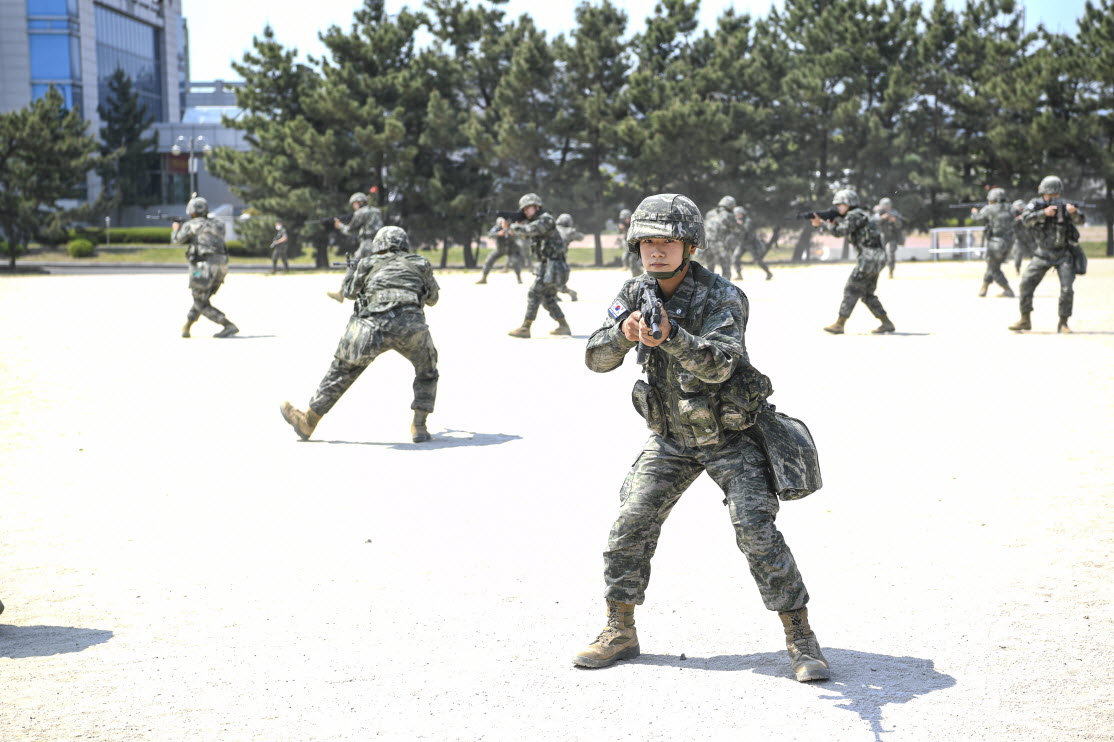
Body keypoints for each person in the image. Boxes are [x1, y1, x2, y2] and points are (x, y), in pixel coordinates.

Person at [575, 193, 829, 683]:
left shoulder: (723, 296)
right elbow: (594, 357)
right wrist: (624, 334)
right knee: (630, 521)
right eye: (646, 242)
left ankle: (800, 635)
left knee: (755, 527)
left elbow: (721, 364)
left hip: (731, 436)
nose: (655, 251)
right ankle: (619, 629)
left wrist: (670, 336)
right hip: (671, 436)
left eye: (667, 242)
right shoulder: (633, 292)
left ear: (689, 246)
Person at [281, 226, 440, 443]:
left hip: (370, 325)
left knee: (343, 370)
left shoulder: (367, 262)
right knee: (427, 371)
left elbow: (348, 292)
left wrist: (354, 272)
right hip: (411, 326)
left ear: (379, 244)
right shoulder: (420, 262)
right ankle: (419, 426)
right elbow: (432, 299)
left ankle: (308, 422)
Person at [1009, 176, 1085, 334]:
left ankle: (1063, 322)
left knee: (1067, 289)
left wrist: (1074, 213)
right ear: (1042, 192)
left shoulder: (1066, 205)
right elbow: (1025, 220)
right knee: (1026, 283)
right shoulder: (1035, 205)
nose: (1053, 199)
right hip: (1042, 254)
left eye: (1056, 195)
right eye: (1050, 196)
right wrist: (1043, 213)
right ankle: (1025, 319)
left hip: (1063, 253)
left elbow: (1081, 221)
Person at [815, 189, 895, 334]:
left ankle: (840, 324)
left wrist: (823, 224)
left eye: (841, 204)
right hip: (877, 258)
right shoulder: (861, 214)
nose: (838, 207)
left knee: (851, 289)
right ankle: (886, 322)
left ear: (849, 203)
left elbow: (839, 232)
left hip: (869, 258)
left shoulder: (854, 215)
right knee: (867, 294)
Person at [172, 195, 239, 339]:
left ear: (192, 210)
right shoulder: (218, 224)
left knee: (200, 302)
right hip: (222, 266)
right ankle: (187, 327)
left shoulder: (192, 224)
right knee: (202, 298)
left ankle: (227, 325)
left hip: (203, 267)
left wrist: (176, 228)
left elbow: (177, 240)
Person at [507, 193, 571, 338]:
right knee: (548, 298)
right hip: (549, 266)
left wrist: (514, 226)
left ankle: (525, 327)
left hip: (553, 266)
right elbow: (527, 233)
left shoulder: (546, 219)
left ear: (537, 206)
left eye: (528, 208)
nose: (525, 212)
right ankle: (563, 325)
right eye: (523, 210)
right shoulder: (537, 221)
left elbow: (530, 230)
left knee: (534, 293)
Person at [326, 192, 385, 303]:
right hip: (380, 243)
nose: (354, 206)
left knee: (353, 266)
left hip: (367, 244)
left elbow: (350, 230)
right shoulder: (377, 211)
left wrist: (340, 226)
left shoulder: (360, 213)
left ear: (360, 202)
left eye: (354, 204)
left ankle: (341, 293)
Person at [969, 188, 1015, 298]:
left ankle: (1007, 289)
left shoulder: (989, 209)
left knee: (994, 268)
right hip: (1009, 242)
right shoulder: (1010, 208)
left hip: (995, 242)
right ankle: (984, 287)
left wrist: (974, 212)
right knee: (992, 264)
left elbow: (977, 218)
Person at [477, 216, 525, 285]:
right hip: (500, 249)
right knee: (489, 260)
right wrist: (498, 234)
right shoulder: (497, 228)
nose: (504, 224)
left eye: (505, 223)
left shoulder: (512, 228)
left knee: (515, 262)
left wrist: (513, 234)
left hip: (511, 249)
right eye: (502, 223)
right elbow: (490, 235)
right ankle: (484, 278)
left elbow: (520, 235)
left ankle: (519, 279)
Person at [731, 205, 773, 281]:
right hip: (741, 244)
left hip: (750, 244)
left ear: (743, 214)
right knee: (735, 258)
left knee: (757, 260)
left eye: (739, 214)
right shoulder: (737, 222)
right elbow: (736, 232)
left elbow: (746, 231)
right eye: (736, 215)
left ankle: (768, 273)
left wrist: (740, 225)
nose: (737, 216)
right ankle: (739, 275)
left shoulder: (748, 221)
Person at [703, 195, 739, 279]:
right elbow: (735, 229)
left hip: (706, 243)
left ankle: (709, 287)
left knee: (710, 267)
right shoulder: (729, 215)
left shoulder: (710, 213)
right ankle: (725, 288)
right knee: (725, 266)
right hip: (720, 244)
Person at [871, 197, 905, 279]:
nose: (887, 207)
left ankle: (891, 271)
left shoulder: (894, 213)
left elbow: (900, 224)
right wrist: (882, 218)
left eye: (888, 206)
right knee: (880, 254)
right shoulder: (878, 213)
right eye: (885, 206)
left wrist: (895, 221)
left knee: (891, 253)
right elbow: (873, 222)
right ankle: (876, 271)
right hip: (882, 235)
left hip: (892, 235)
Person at [554, 213, 582, 301]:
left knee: (553, 280)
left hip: (552, 258)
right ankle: (563, 293)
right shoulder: (569, 231)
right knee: (554, 280)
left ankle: (568, 292)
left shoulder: (553, 229)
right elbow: (580, 237)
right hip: (559, 259)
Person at [1010, 199, 1036, 275]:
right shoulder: (1013, 213)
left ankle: (1034, 270)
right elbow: (1011, 224)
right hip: (1019, 238)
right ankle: (1017, 269)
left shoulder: (1027, 212)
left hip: (1030, 237)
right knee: (1018, 255)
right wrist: (1018, 219)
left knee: (1034, 255)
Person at [618, 208, 642, 276]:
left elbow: (634, 232)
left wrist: (625, 229)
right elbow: (621, 232)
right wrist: (621, 228)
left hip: (635, 242)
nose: (626, 220)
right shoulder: (623, 223)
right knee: (625, 256)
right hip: (628, 242)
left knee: (632, 259)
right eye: (624, 219)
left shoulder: (634, 223)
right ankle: (626, 267)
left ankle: (636, 272)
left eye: (627, 218)